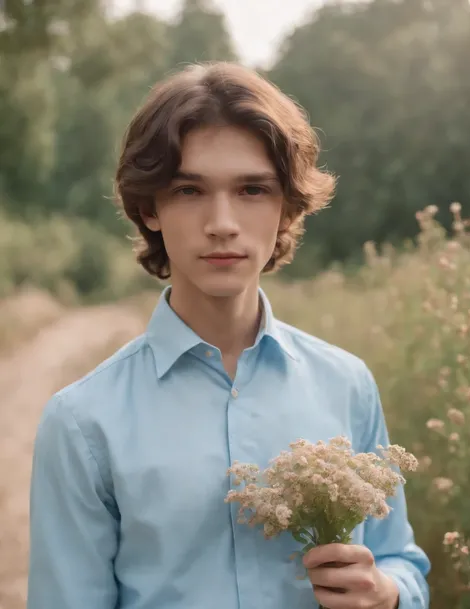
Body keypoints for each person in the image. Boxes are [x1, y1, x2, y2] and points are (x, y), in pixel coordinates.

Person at [27, 61, 430, 609]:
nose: (222, 222)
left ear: (287, 207)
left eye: (252, 190)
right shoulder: (82, 422)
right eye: (190, 190)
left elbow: (401, 561)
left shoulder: (346, 384)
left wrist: (386, 592)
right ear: (150, 208)